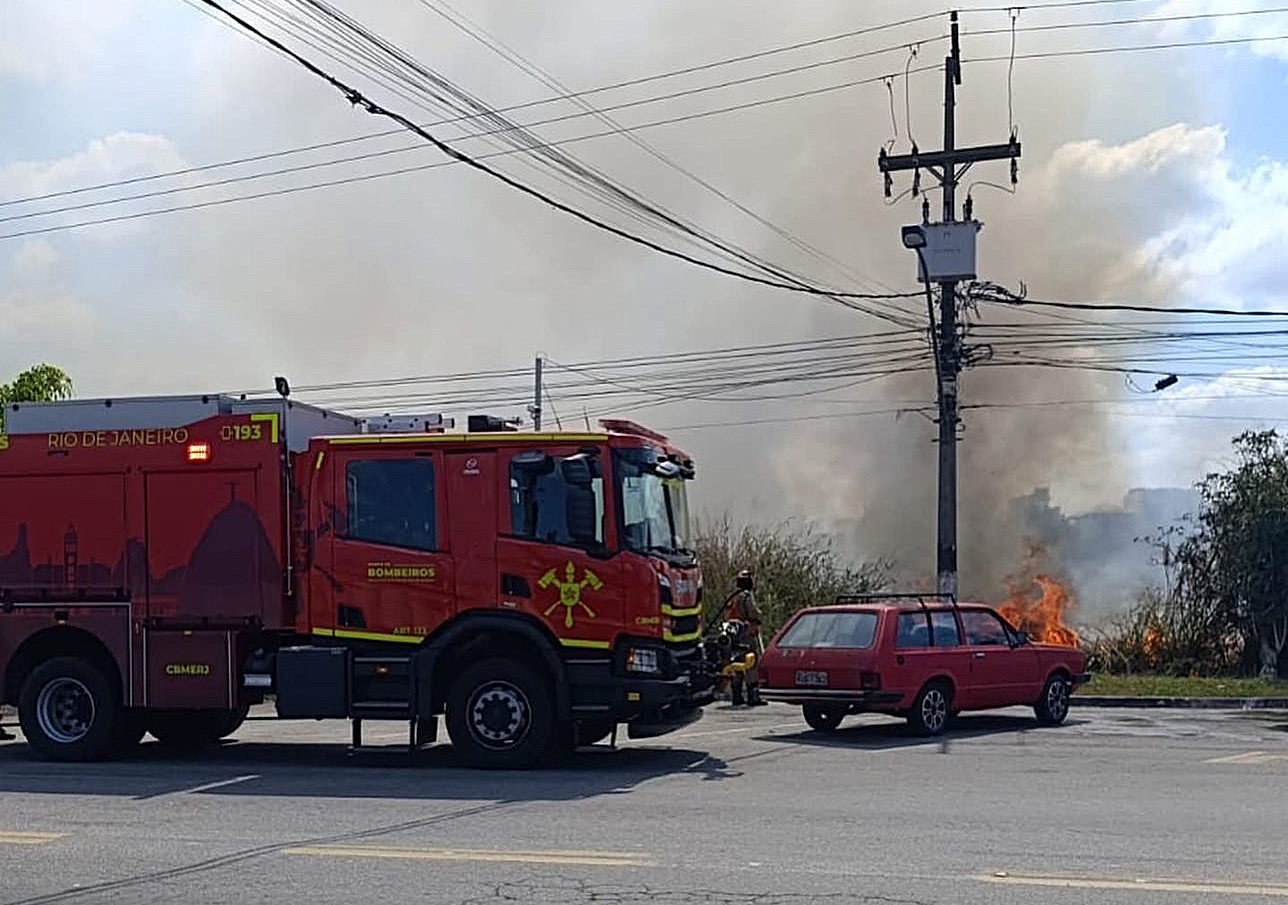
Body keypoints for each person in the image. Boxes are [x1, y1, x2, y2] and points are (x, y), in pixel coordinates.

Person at [725, 570, 767, 706]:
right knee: (751, 663)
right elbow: (753, 612)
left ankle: (736, 696)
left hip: (732, 634)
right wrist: (760, 616)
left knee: (736, 662)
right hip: (746, 633)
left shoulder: (732, 596)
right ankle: (753, 696)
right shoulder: (746, 596)